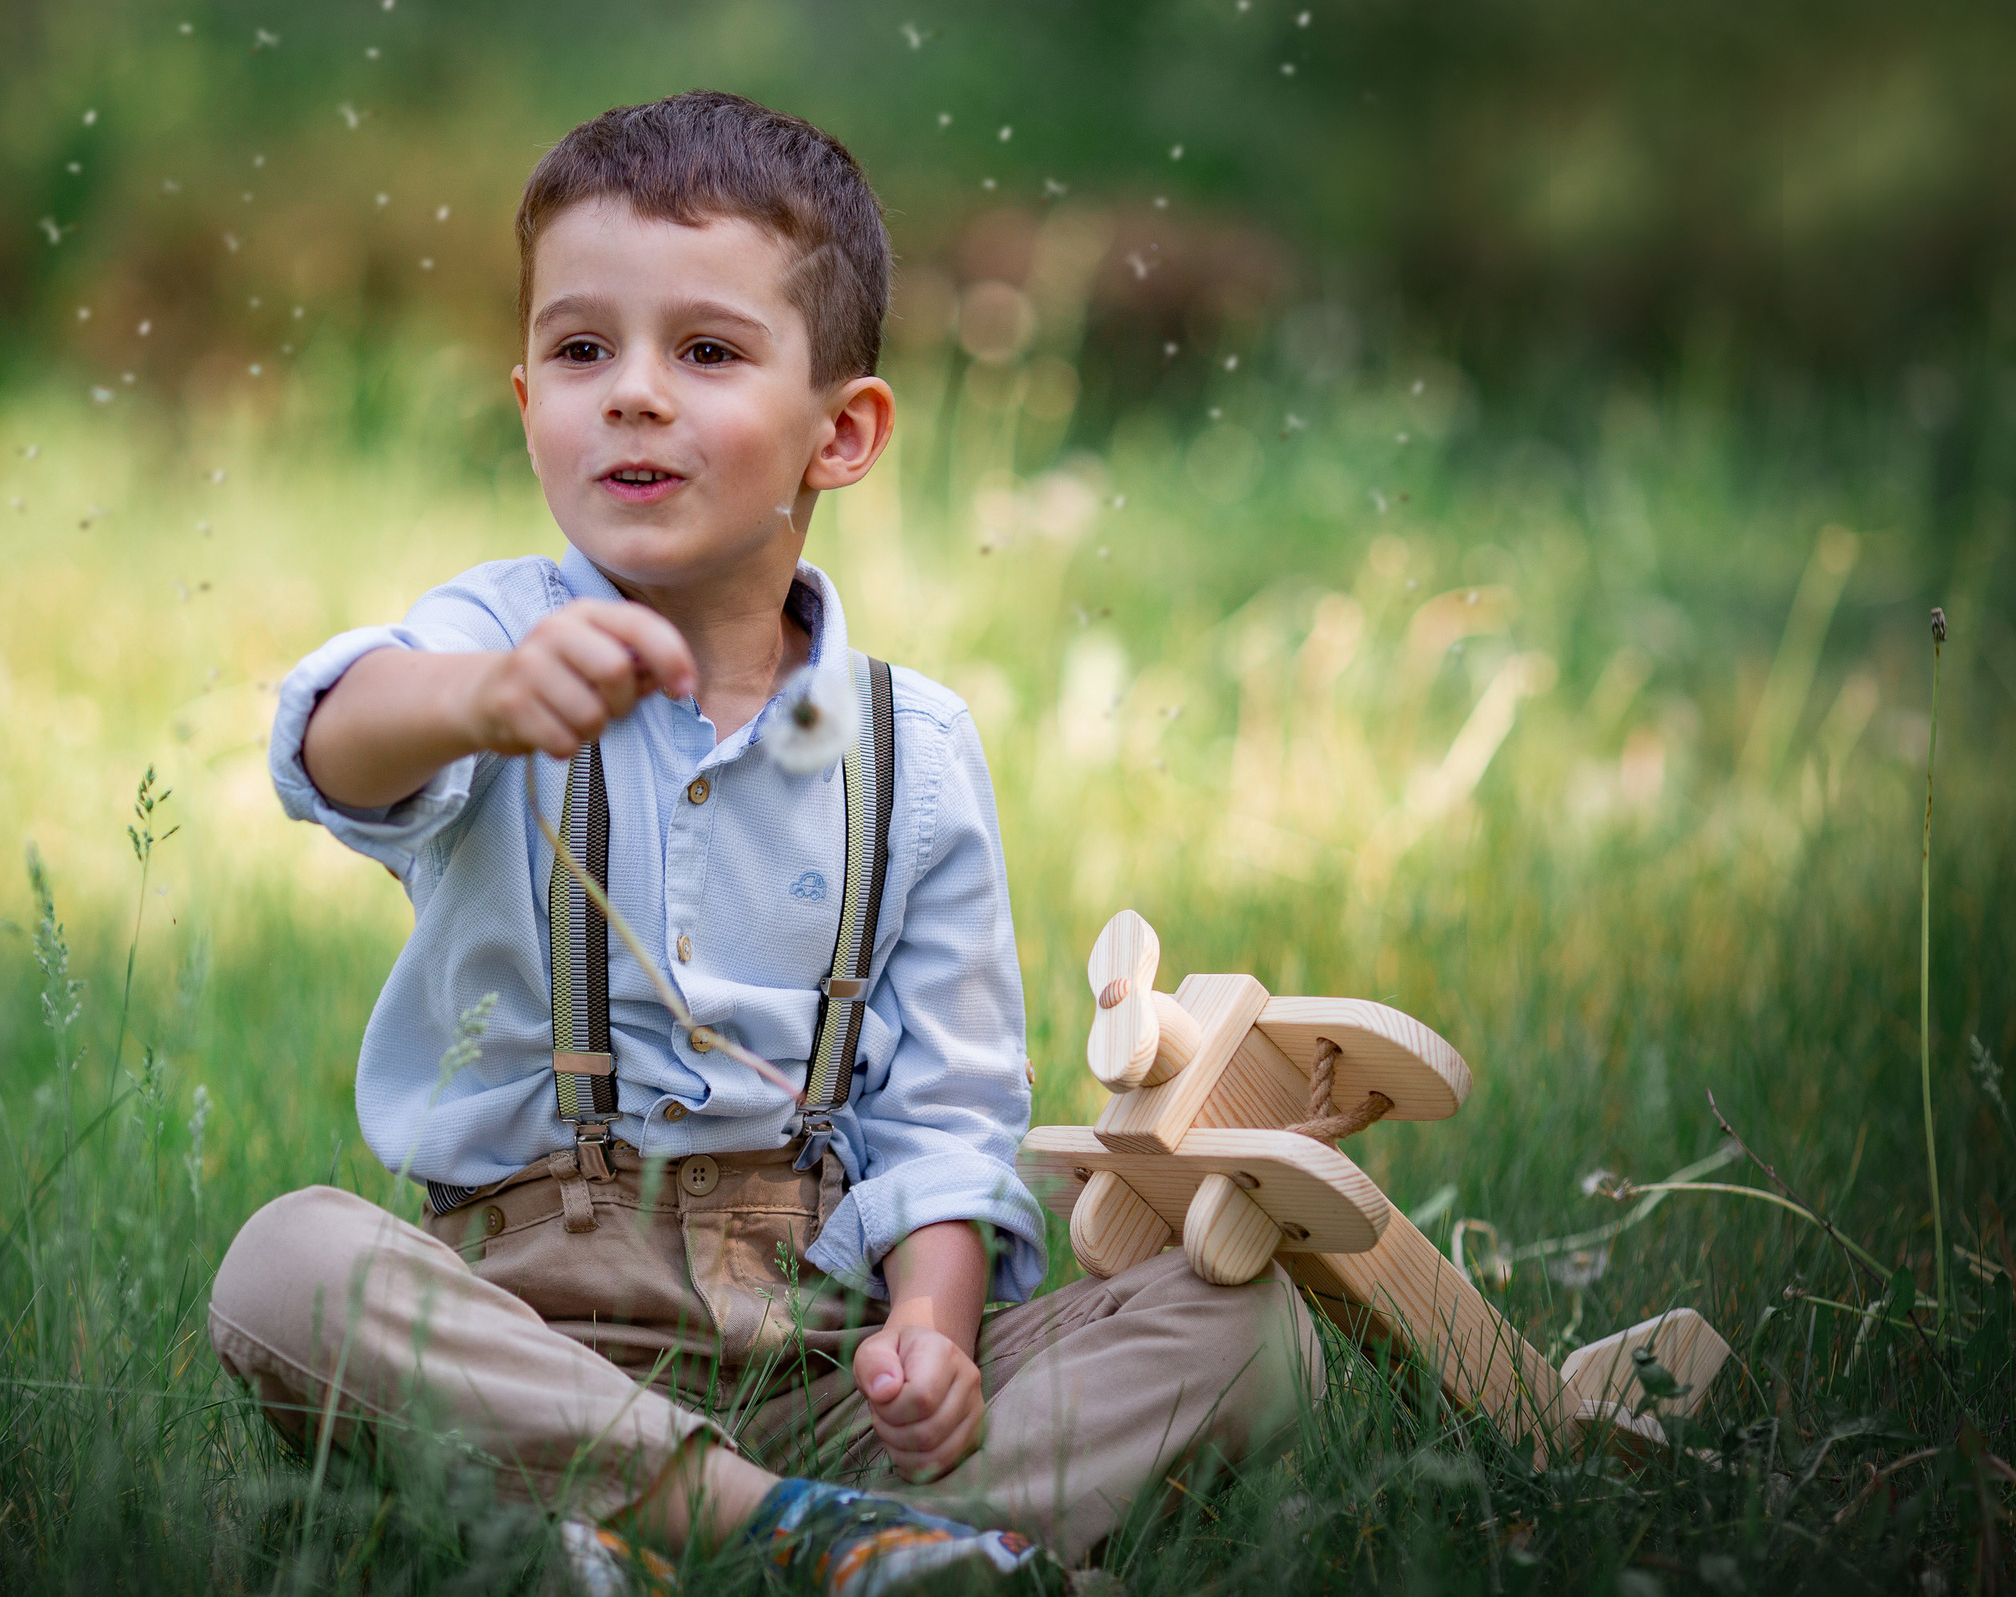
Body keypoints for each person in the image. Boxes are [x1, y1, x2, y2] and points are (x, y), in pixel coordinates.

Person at [210, 91, 1318, 1591]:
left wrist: (929, 1329)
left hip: (816, 1368)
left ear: (841, 432)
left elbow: (948, 1111)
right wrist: (481, 700)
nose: (634, 395)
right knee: (288, 1263)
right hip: (521, 1334)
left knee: (1243, 1322)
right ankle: (815, 1548)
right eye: (582, 349)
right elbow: (330, 739)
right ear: (526, 397)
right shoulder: (490, 642)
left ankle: (722, 1532)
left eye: (708, 352)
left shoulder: (911, 750)